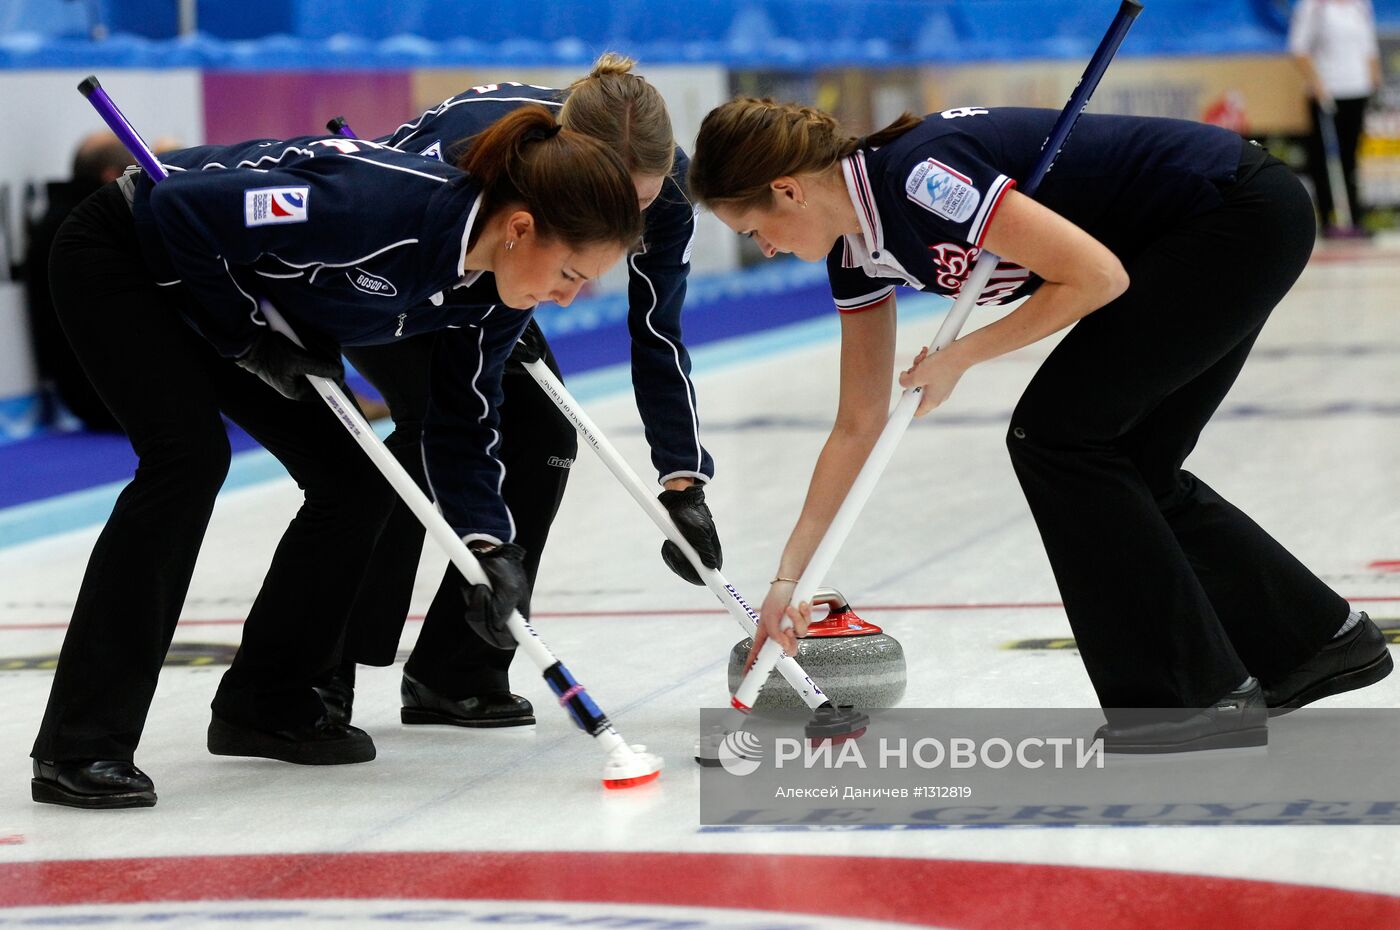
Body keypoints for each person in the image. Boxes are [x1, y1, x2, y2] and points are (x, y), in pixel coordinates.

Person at [688, 98, 1392, 752]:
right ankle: (1317, 645)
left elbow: (1095, 278)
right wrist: (790, 583)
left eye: (755, 232)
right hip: (1196, 234)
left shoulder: (919, 178)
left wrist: (963, 355)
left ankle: (1189, 703)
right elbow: (858, 423)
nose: (768, 248)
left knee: (1057, 438)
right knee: (1131, 461)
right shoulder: (856, 254)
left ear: (788, 189)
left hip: (1231, 213)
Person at [31, 106, 642, 809]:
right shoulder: (370, 204)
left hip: (227, 295)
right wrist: (245, 337)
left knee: (355, 482)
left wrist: (487, 541)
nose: (565, 298)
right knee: (187, 460)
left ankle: (268, 702)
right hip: (128, 255)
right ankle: (80, 745)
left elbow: (463, 420)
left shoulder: (495, 297)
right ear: (520, 228)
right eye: (568, 273)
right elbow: (180, 209)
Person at [319, 53, 722, 729]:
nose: (621, 223)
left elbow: (658, 329)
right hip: (397, 284)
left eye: (639, 205)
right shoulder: (480, 142)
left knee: (543, 440)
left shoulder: (671, 191)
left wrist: (683, 477)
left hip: (509, 291)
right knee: (432, 426)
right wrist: (490, 302)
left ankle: (458, 667)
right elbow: (401, 231)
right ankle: (321, 664)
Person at [23, 131, 133, 431]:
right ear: (110, 176)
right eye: (132, 176)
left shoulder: (54, 222)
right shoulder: (92, 229)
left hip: (77, 390)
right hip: (108, 397)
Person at [1288, 0, 1383, 231]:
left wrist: (1374, 82)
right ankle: (1329, 218)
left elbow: (1368, 47)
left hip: (1357, 90)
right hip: (1328, 92)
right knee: (1324, 158)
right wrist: (1317, 85)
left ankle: (1355, 217)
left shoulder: (1360, 5)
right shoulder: (1313, 6)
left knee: (1351, 157)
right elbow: (1299, 49)